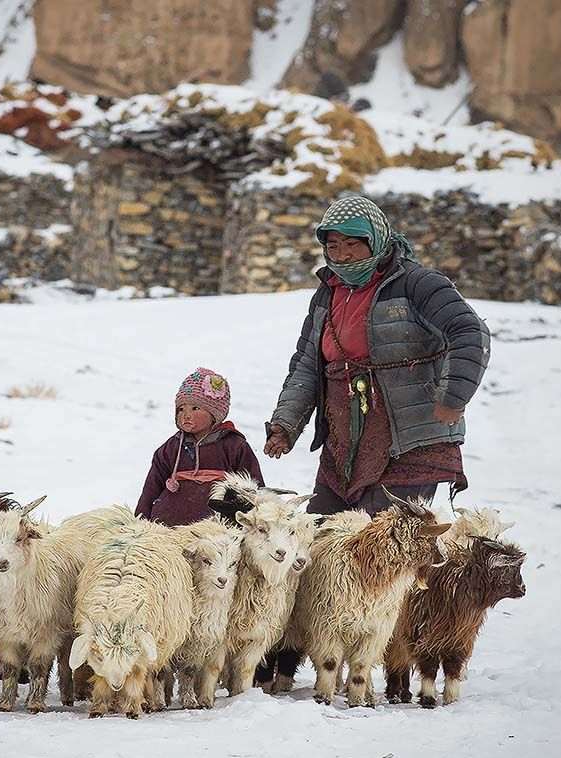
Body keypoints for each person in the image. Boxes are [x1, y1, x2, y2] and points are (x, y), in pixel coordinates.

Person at [263, 194, 490, 515]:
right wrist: (285, 425)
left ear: (377, 239)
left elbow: (469, 332)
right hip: (345, 445)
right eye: (333, 246)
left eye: (353, 244)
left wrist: (453, 396)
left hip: (409, 444)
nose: (341, 256)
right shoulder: (328, 294)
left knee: (379, 548)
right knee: (320, 540)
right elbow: (307, 366)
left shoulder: (417, 284)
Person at [135, 367, 264, 526]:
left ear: (214, 414)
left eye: (195, 408)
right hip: (166, 532)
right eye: (181, 409)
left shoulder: (234, 446)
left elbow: (255, 489)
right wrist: (139, 523)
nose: (186, 415)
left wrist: (260, 519)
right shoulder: (170, 449)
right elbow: (151, 489)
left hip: (217, 533)